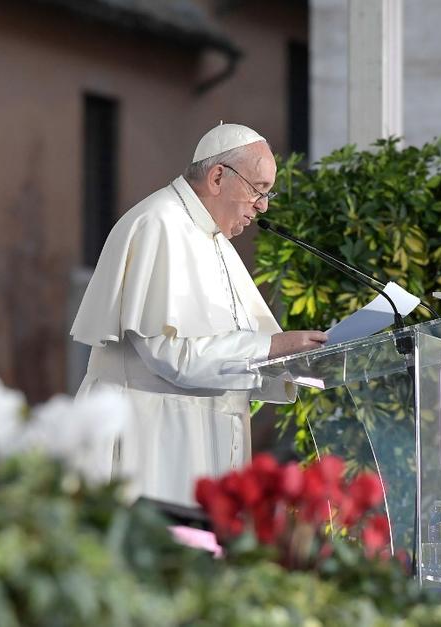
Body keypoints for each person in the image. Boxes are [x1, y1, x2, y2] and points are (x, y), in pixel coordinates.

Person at [70, 122, 328, 506]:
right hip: (152, 439)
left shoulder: (214, 240)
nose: (263, 205)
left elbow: (226, 355)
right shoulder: (158, 224)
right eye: (258, 189)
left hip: (196, 440)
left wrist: (290, 360)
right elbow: (170, 355)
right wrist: (272, 348)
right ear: (218, 177)